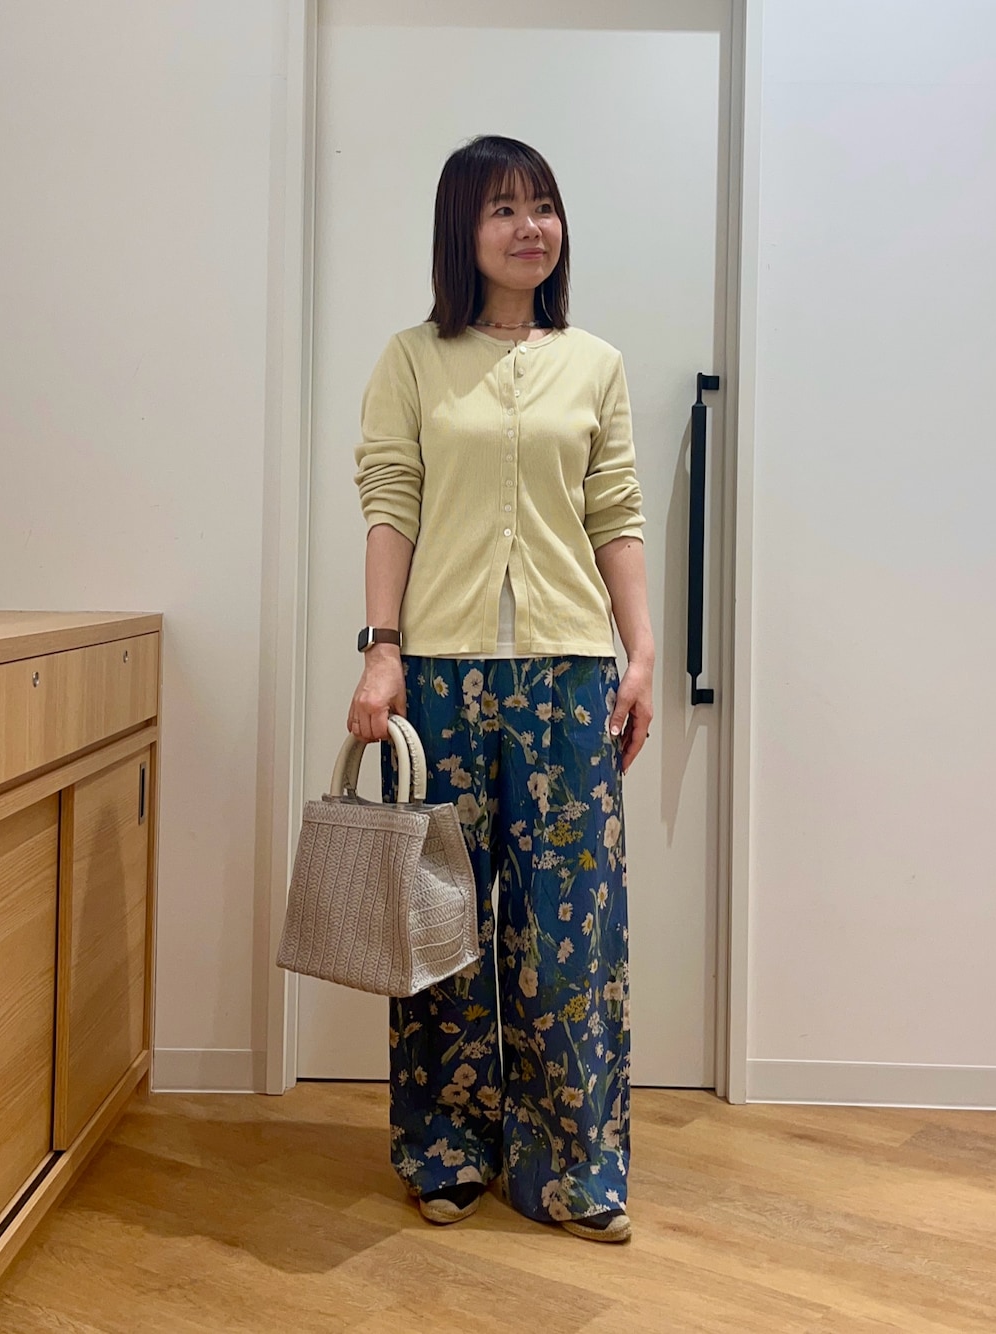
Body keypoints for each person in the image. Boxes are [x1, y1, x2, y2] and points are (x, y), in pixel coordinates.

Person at [347, 135, 653, 1244]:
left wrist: (639, 652)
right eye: (503, 209)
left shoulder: (595, 363)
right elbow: (391, 500)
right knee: (441, 923)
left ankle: (574, 1166)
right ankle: (445, 1146)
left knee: (573, 931)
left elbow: (615, 510)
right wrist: (382, 648)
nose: (531, 227)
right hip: (440, 673)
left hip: (569, 675)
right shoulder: (413, 359)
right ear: (461, 231)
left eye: (544, 206)